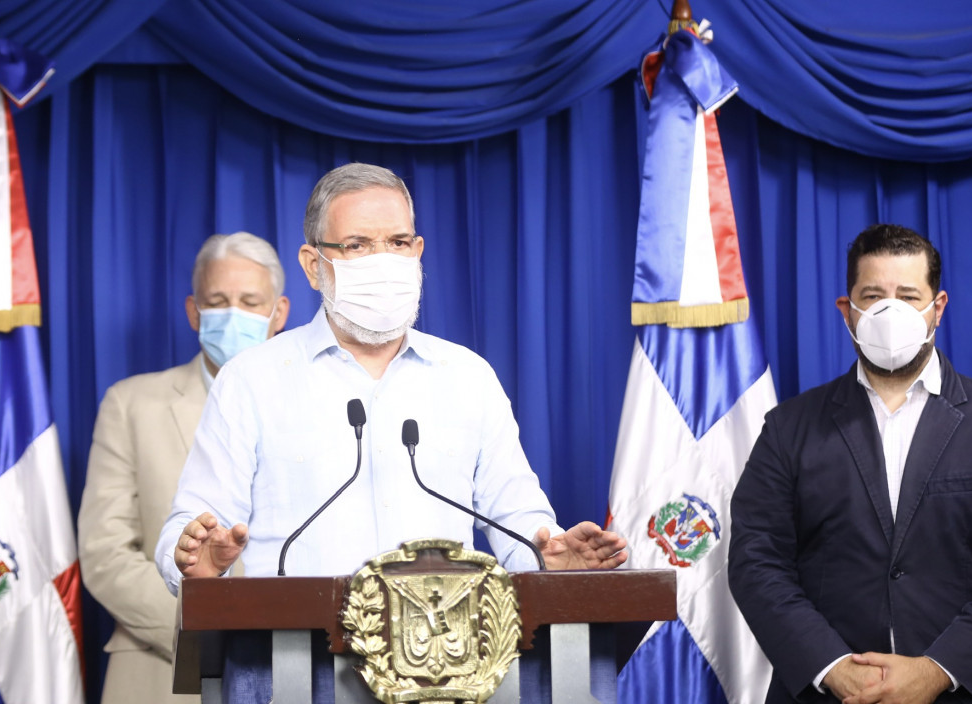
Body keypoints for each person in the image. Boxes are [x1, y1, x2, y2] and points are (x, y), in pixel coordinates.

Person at [155, 163, 627, 593]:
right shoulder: (251, 380)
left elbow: (518, 518)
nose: (382, 261)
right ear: (314, 266)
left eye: (398, 243)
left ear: (417, 252)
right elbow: (191, 528)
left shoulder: (468, 377)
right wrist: (193, 559)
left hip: (448, 650)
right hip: (297, 649)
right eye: (358, 245)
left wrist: (548, 557)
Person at [729, 223, 972, 704]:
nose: (889, 311)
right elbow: (757, 561)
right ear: (846, 310)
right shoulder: (790, 428)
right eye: (873, 296)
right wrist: (834, 668)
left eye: (908, 296)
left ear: (938, 307)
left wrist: (936, 671)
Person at [78, 232, 289, 704]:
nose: (233, 314)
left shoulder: (323, 409)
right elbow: (104, 552)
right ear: (194, 311)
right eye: (218, 301)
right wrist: (205, 629)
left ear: (279, 313)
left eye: (250, 302)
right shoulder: (131, 404)